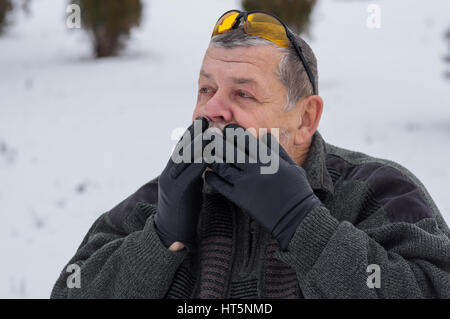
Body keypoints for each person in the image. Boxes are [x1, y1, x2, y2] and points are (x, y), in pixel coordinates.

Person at [51, 10, 450, 299]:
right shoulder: (156, 203)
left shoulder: (380, 193)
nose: (212, 110)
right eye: (206, 90)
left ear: (306, 117)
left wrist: (306, 226)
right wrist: (159, 239)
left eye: (243, 93)